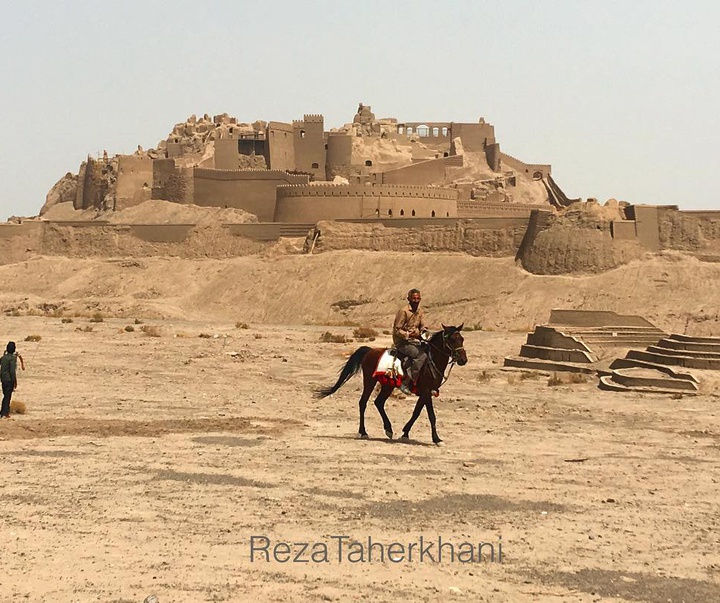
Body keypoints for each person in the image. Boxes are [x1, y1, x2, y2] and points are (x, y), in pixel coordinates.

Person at [393, 289, 428, 394]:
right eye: (414, 298)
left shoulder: (420, 311)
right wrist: (411, 335)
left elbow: (424, 326)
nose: (416, 301)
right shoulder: (403, 311)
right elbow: (396, 330)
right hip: (402, 342)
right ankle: (407, 381)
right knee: (421, 356)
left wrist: (424, 333)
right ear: (409, 299)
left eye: (418, 298)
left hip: (416, 340)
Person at [1, 341, 18, 419]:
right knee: (7, 396)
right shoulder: (12, 359)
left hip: (3, 379)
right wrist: (14, 381)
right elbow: (12, 371)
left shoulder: (4, 357)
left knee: (5, 395)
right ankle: (5, 413)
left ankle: (3, 411)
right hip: (9, 380)